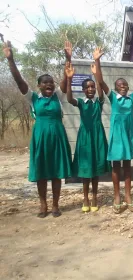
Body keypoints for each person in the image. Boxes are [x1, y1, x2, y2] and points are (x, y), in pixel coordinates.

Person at [3, 40, 72, 218]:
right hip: (40, 137)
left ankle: (56, 205)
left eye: (51, 83)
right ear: (39, 85)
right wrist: (11, 60)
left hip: (57, 136)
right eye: (45, 83)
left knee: (56, 172)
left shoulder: (59, 96)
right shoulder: (33, 98)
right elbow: (19, 81)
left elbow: (65, 81)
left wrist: (68, 58)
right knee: (41, 172)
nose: (49, 85)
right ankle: (43, 205)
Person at [94, 29, 133, 213]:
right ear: (116, 88)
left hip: (128, 134)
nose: (124, 87)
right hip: (116, 136)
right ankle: (117, 196)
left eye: (125, 85)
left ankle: (128, 196)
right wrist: (97, 61)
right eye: (120, 86)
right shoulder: (113, 98)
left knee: (128, 167)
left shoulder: (132, 98)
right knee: (116, 167)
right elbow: (101, 83)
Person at [63, 45, 110, 212]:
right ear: (83, 90)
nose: (91, 89)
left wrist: (97, 64)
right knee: (85, 169)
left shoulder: (99, 101)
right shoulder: (81, 102)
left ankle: (95, 197)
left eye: (92, 87)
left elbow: (101, 86)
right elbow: (69, 99)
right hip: (85, 137)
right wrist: (69, 79)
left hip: (97, 136)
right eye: (87, 87)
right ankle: (85, 198)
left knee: (96, 169)